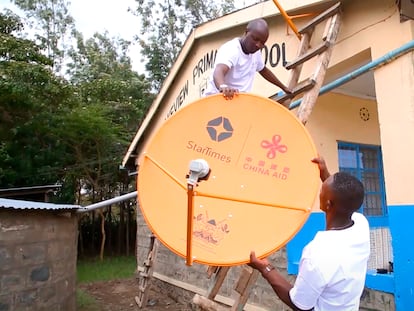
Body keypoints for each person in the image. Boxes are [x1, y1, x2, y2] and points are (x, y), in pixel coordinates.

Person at [249, 157, 370, 311]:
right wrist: (324, 174)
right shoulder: (361, 226)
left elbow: (300, 305)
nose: (320, 190)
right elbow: (343, 198)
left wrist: (265, 269)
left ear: (327, 204)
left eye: (322, 190)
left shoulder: (318, 254)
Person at [203, 18, 291, 100]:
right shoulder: (231, 49)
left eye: (262, 43)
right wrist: (222, 87)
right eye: (255, 39)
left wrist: (283, 87)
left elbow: (264, 71)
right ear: (246, 32)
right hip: (216, 100)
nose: (258, 45)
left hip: (237, 102)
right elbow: (219, 70)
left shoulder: (255, 53)